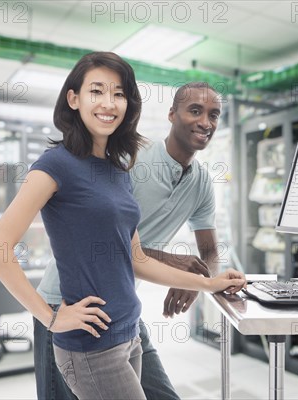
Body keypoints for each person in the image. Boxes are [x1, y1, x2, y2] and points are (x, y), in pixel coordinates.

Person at [0, 52, 245, 400]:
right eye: (96, 91)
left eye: (118, 93)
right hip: (77, 320)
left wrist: (208, 283)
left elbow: (136, 257)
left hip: (125, 326)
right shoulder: (58, 165)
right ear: (73, 99)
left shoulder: (117, 169)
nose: (109, 103)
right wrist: (51, 318)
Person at [35, 80, 226, 400]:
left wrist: (198, 278)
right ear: (171, 115)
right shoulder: (129, 160)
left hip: (122, 309)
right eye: (195, 111)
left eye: (214, 114)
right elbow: (95, 243)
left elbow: (210, 251)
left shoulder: (202, 181)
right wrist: (173, 263)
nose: (206, 122)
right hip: (67, 302)